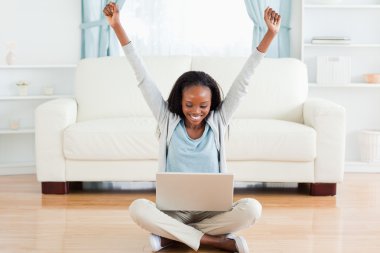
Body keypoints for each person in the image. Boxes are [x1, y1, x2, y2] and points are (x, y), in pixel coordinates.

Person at [103, 2, 280, 252]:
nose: (196, 112)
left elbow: (244, 81)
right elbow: (141, 75)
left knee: (253, 209)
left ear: (212, 105)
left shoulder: (218, 121)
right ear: (180, 101)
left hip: (212, 212)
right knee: (138, 208)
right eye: (189, 104)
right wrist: (117, 26)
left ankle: (171, 238)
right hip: (175, 213)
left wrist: (270, 34)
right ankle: (214, 241)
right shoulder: (166, 119)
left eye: (203, 106)